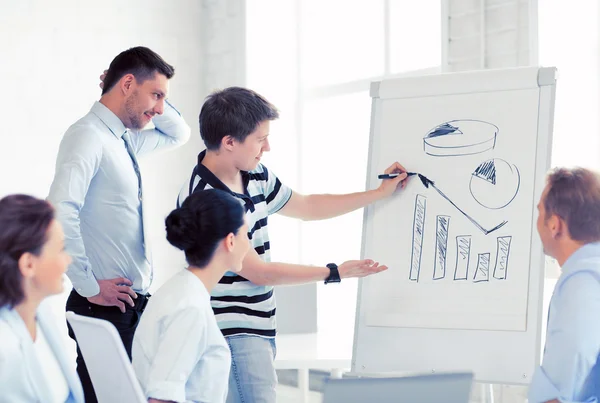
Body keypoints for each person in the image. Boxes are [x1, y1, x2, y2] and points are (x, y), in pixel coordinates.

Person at [176, 86, 408, 403]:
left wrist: (378, 194)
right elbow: (259, 272)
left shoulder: (253, 173)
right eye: (260, 139)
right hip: (231, 329)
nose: (267, 147)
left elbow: (307, 206)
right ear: (229, 142)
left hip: (258, 323)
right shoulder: (206, 197)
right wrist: (334, 272)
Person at [47, 46, 191, 402]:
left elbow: (179, 134)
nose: (159, 109)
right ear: (128, 84)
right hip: (102, 306)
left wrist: (152, 96)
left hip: (127, 307)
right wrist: (88, 284)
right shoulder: (88, 136)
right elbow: (59, 209)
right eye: (156, 95)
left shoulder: (124, 141)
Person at [132, 189, 249, 403]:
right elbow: (161, 398)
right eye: (246, 234)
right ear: (230, 241)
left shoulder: (179, 291)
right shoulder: (190, 308)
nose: (248, 244)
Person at [0, 194, 84, 403]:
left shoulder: (40, 316)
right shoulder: (5, 348)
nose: (68, 259)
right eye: (61, 249)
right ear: (29, 264)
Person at [528, 167, 600, 403]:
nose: (537, 221)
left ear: (554, 225)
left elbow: (561, 389)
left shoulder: (583, 281)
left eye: (539, 212)